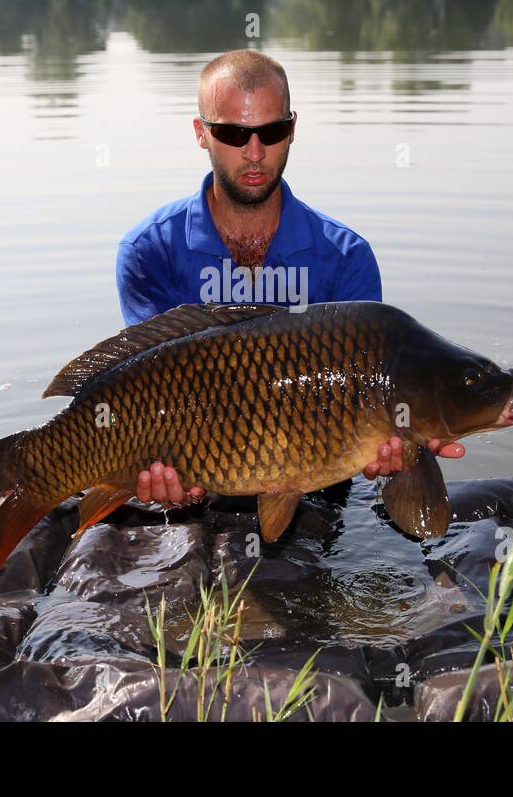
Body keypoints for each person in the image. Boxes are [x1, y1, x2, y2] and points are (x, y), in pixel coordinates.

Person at [115, 49, 463, 509]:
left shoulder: (346, 257)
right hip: (189, 480)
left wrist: (396, 447)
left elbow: (376, 398)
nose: (255, 153)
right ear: (201, 133)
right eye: (233, 133)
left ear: (292, 129)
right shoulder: (149, 251)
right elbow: (138, 386)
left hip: (315, 491)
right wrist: (153, 480)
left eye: (272, 132)